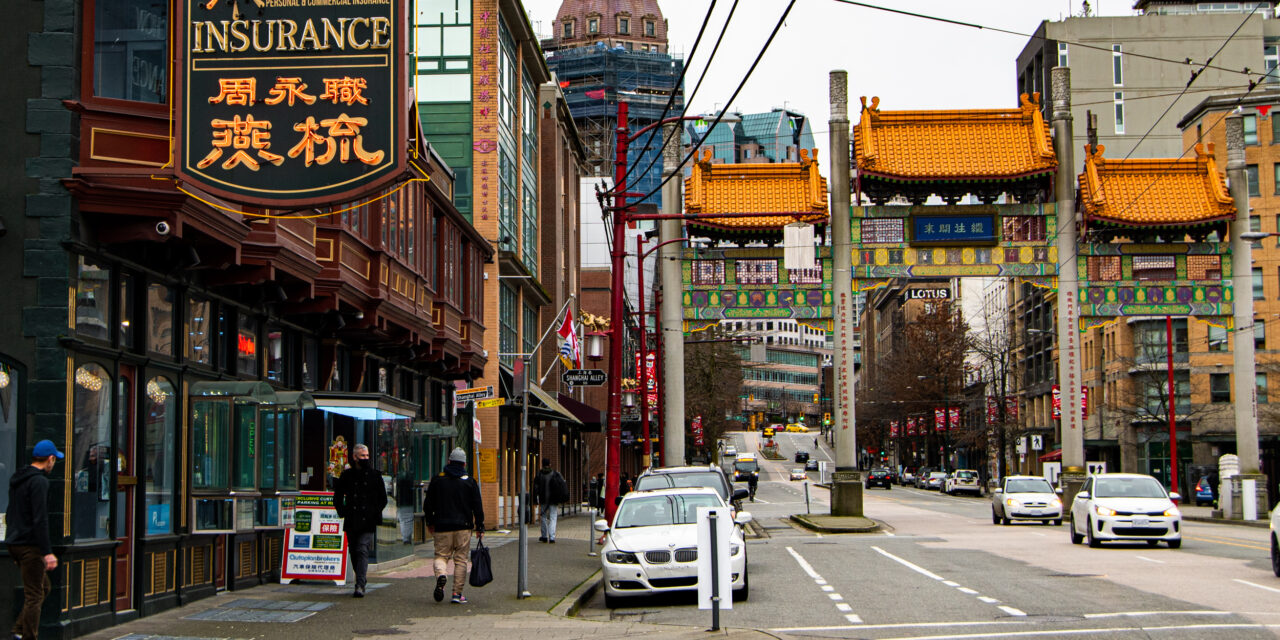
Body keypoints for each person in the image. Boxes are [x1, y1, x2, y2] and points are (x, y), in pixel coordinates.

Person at [6, 440, 63, 640]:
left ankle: (19, 631)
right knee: (35, 596)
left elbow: (11, 512)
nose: (53, 464)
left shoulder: (18, 478)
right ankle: (26, 635)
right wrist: (47, 552)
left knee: (43, 587)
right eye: (54, 460)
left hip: (15, 542)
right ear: (50, 459)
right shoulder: (39, 482)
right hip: (29, 545)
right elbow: (40, 519)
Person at [424, 447, 484, 605]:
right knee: (461, 560)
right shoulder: (470, 482)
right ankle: (457, 594)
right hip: (463, 527)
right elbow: (477, 506)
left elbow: (428, 504)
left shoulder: (437, 480)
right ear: (464, 464)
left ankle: (441, 575)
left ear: (449, 461)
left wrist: (430, 522)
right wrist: (480, 526)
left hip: (442, 526)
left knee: (441, 556)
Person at [333, 444, 387, 598]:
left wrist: (374, 512)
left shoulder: (375, 475)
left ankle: (360, 584)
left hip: (368, 520)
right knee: (353, 550)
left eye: (367, 455)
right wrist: (342, 511)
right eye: (362, 456)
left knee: (362, 548)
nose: (366, 458)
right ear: (355, 457)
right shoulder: (347, 475)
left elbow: (383, 498)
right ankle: (362, 576)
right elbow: (337, 497)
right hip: (352, 518)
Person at [532, 460, 569, 543]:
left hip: (543, 499)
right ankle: (552, 537)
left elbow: (535, 488)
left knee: (543, 517)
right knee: (553, 517)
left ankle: (544, 536)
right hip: (553, 499)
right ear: (550, 464)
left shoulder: (539, 474)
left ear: (542, 465)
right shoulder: (555, 474)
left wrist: (535, 501)